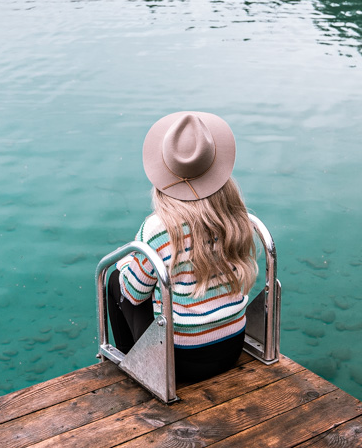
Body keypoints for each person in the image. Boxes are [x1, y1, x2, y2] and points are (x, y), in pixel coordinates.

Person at [107, 111, 257, 384]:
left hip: (180, 363)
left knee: (117, 280)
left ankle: (137, 369)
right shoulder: (235, 215)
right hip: (231, 348)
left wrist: (126, 262)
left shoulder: (157, 228)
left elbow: (134, 294)